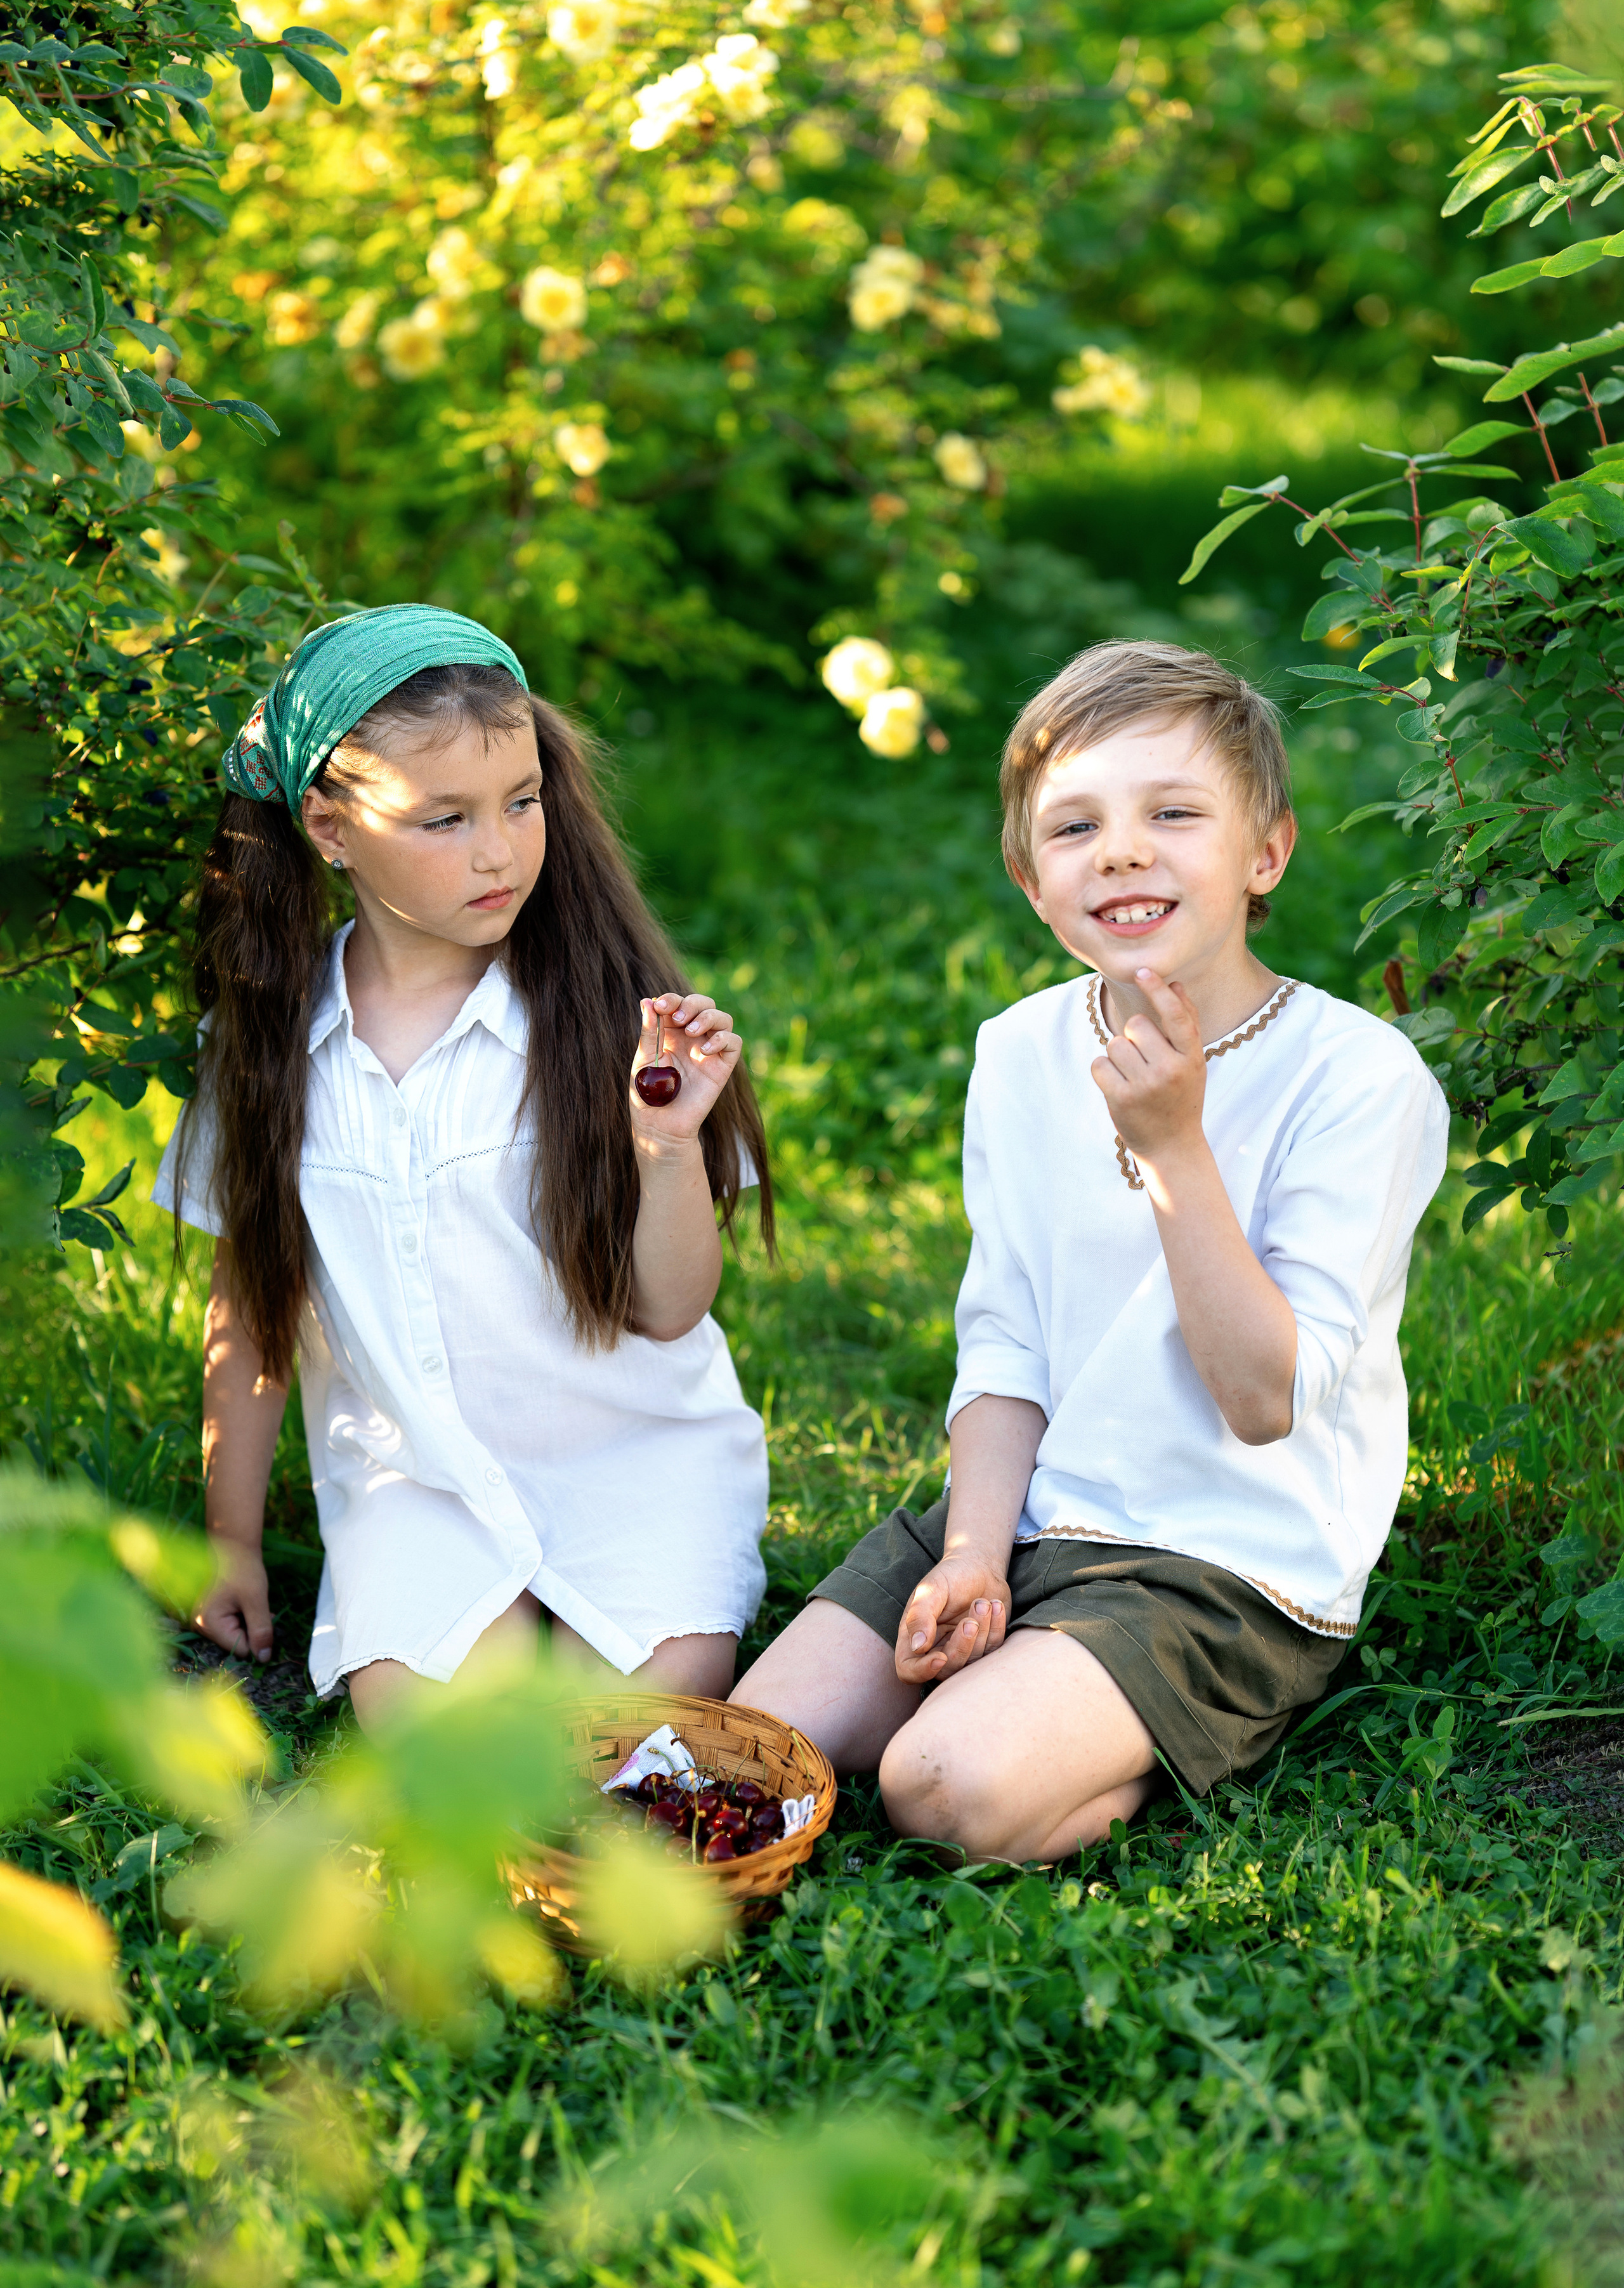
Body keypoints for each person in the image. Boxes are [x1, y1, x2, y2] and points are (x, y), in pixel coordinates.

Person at [734, 639, 1448, 1862]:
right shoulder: (1020, 1053)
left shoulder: (1357, 1079)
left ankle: (1103, 1738)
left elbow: (1264, 1399)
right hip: (1032, 1517)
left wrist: (1176, 1149)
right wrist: (972, 1555)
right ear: (1029, 876)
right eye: (1076, 826)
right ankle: (1037, 1678)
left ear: (1264, 851)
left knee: (937, 1785)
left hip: (1226, 1560)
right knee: (751, 1749)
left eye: (1174, 813)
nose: (1122, 850)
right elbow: (1005, 1336)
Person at [155, 605, 772, 1729]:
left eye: (522, 802)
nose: (500, 850)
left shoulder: (598, 1016)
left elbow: (671, 1309)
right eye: (445, 819)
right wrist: (230, 1542)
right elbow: (250, 1309)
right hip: (417, 1489)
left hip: (632, 1459)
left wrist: (666, 1149)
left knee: (630, 1730)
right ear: (330, 828)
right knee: (451, 1754)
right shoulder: (270, 1048)